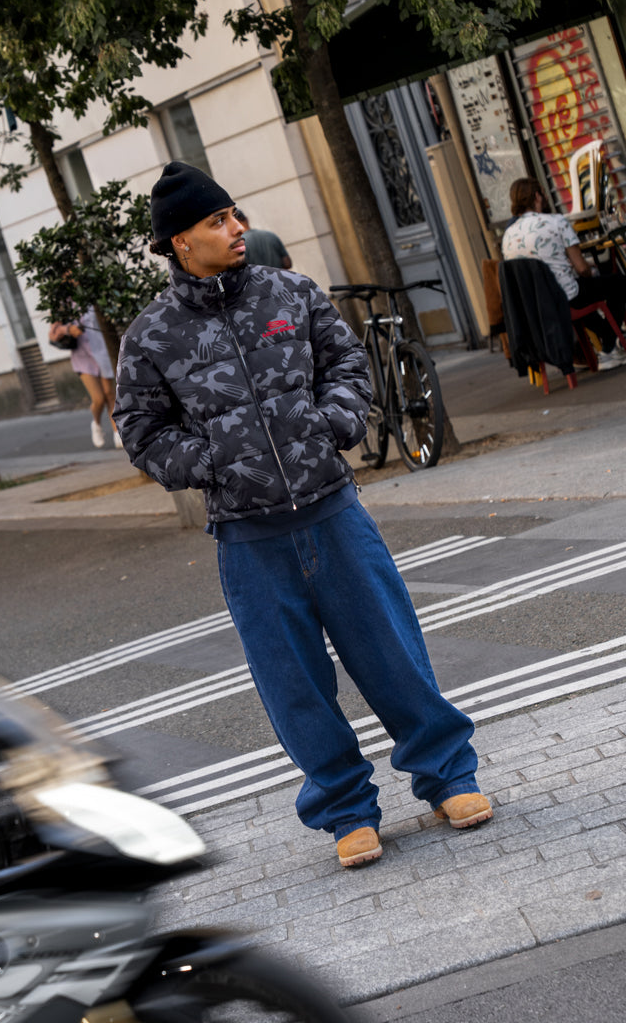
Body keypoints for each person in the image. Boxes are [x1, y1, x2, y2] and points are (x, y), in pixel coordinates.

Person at [114, 161, 492, 868]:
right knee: (294, 686)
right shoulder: (152, 336)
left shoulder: (291, 291)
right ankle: (347, 809)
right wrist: (211, 462)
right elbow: (142, 431)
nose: (236, 229)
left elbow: (346, 367)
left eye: (234, 215)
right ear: (177, 243)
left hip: (334, 513)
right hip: (248, 538)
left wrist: (334, 422)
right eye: (216, 221)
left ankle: (448, 777)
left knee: (392, 655)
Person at [501, 177, 626, 370]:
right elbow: (582, 268)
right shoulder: (556, 221)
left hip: (534, 307)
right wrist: (590, 271)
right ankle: (610, 348)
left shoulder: (508, 235)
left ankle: (610, 342)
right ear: (537, 196)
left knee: (579, 293)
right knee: (617, 282)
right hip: (563, 298)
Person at [49, 306, 122, 448]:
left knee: (109, 394)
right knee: (99, 399)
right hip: (82, 357)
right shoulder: (62, 301)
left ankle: (117, 432)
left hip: (102, 351)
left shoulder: (92, 294)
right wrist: (68, 330)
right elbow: (53, 334)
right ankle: (96, 423)